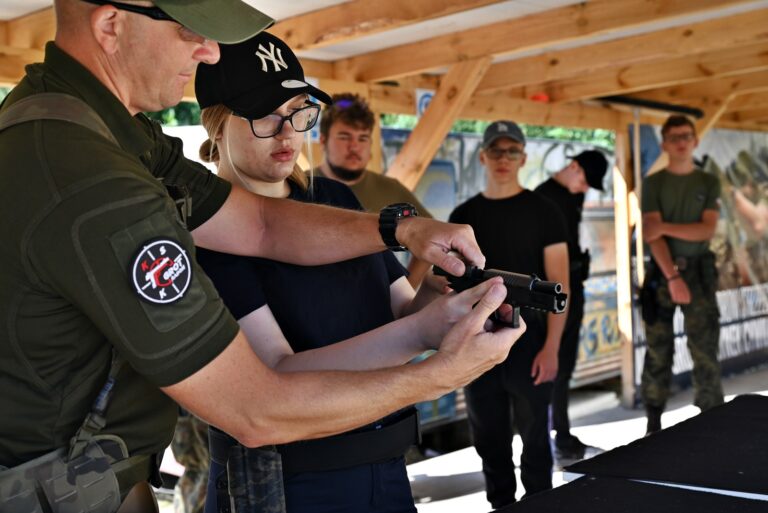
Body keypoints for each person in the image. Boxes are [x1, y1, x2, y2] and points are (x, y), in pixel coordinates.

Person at [0, 1, 526, 511]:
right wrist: (442, 370)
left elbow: (259, 223)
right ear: (111, 25)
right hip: (66, 487)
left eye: (299, 116)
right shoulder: (97, 181)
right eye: (190, 29)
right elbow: (255, 409)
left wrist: (402, 231)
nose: (208, 52)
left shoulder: (95, 126)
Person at [193, 31, 459, 513]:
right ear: (215, 124)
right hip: (287, 480)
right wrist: (424, 333)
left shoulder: (334, 201)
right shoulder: (207, 234)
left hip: (385, 460)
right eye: (263, 116)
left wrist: (453, 301)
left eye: (298, 112)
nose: (288, 132)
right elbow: (275, 375)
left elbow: (402, 306)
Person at [448, 121, 569, 509]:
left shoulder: (545, 211)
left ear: (523, 157)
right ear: (483, 156)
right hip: (478, 338)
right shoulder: (464, 215)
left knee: (536, 441)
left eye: (511, 151)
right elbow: (450, 286)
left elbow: (561, 287)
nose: (503, 159)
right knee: (488, 439)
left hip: (530, 340)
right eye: (496, 151)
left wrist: (551, 348)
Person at [641, 115, 724, 434]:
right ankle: (652, 421)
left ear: (695, 141)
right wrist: (673, 277)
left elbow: (707, 228)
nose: (680, 141)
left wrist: (665, 226)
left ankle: (712, 419)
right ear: (664, 143)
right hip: (663, 273)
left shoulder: (707, 181)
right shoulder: (654, 183)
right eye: (673, 136)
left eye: (686, 135)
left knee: (705, 348)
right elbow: (652, 233)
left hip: (700, 273)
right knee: (658, 349)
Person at [535, 150, 609, 460]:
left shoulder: (570, 196)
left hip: (573, 290)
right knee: (546, 369)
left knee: (564, 368)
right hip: (551, 295)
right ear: (573, 166)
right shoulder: (543, 199)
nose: (584, 188)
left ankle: (561, 435)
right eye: (584, 180)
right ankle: (546, 439)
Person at [318, 92, 434, 287]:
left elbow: (430, 236)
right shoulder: (302, 184)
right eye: (344, 136)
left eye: (363, 138)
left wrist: (407, 288)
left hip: (380, 307)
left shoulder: (391, 189)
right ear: (323, 140)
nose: (354, 146)